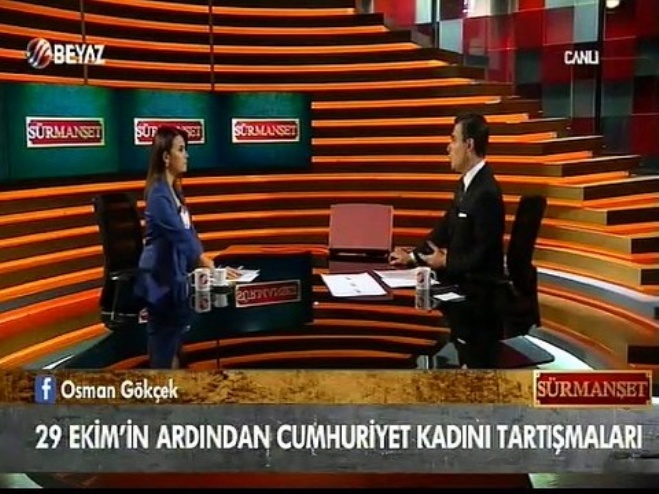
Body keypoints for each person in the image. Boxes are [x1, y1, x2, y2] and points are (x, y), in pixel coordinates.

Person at [390, 113, 505, 368]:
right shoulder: (466, 185)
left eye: (453, 139)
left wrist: (446, 262)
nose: (448, 147)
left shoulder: (486, 191)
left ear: (469, 145)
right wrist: (413, 256)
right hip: (461, 287)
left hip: (478, 302)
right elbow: (444, 228)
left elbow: (485, 254)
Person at [134, 126, 219, 369]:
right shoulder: (158, 196)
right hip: (160, 285)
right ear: (166, 157)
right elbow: (178, 234)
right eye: (181, 150)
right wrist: (203, 262)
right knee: (164, 356)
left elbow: (189, 231)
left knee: (176, 350)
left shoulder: (174, 192)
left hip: (175, 282)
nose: (186, 155)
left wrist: (206, 261)